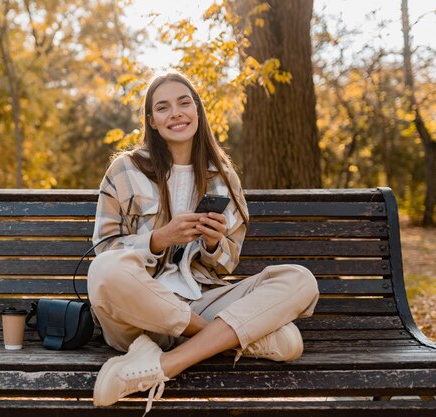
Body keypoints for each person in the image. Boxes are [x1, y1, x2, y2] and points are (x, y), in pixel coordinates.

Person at [87, 70, 319, 413]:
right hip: (137, 314)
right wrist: (158, 239)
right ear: (151, 121)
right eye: (163, 107)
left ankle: (163, 365)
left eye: (184, 102)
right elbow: (103, 249)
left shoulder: (224, 178)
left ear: (198, 109)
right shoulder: (125, 170)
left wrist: (213, 244)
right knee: (105, 270)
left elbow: (226, 264)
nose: (176, 112)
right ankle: (231, 339)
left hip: (200, 299)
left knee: (300, 279)